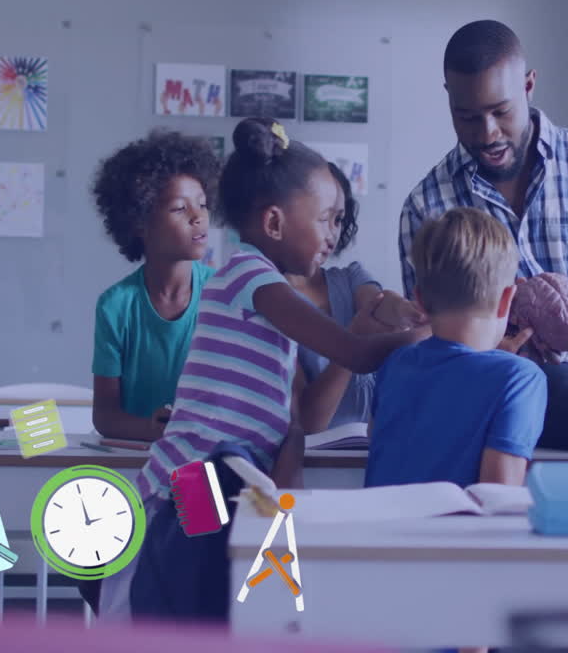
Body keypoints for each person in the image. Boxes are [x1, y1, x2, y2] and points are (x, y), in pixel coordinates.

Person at [102, 118, 424, 621]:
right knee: (186, 603)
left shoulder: (255, 282)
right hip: (192, 478)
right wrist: (433, 330)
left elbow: (298, 416)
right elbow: (356, 354)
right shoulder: (252, 277)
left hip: (223, 474)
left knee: (211, 601)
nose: (333, 237)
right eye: (325, 220)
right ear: (274, 223)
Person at [399, 19, 568, 459]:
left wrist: (567, 324)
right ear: (449, 99)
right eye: (467, 117)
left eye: (501, 111)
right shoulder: (427, 206)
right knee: (542, 381)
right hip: (489, 397)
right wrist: (494, 347)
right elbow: (432, 329)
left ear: (529, 86)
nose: (487, 133)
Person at [368, 207, 546, 489]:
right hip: (459, 521)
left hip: (376, 517)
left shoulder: (395, 364)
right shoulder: (520, 378)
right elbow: (500, 494)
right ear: (507, 300)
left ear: (420, 300)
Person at [90, 130, 219, 441]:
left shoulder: (224, 296)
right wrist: (152, 429)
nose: (198, 217)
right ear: (140, 222)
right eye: (179, 208)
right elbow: (105, 416)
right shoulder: (115, 306)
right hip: (137, 461)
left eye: (202, 205)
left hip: (209, 456)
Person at [287, 162, 425, 433]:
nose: (332, 233)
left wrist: (407, 312)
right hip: (318, 456)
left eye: (338, 220)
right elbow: (308, 423)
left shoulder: (351, 277)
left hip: (374, 446)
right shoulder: (274, 303)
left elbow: (379, 303)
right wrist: (353, 342)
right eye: (323, 218)